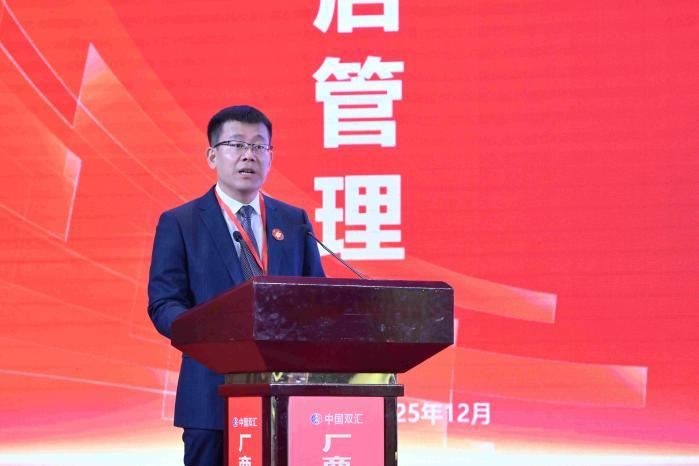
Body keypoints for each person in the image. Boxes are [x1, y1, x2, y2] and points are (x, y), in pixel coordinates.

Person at [147, 105, 324, 466]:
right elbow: (164, 303)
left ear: (270, 157)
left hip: (285, 392)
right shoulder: (180, 223)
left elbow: (317, 297)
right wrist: (209, 335)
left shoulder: (294, 221)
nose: (249, 155)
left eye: (259, 146)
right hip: (210, 392)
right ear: (212, 155)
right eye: (237, 144)